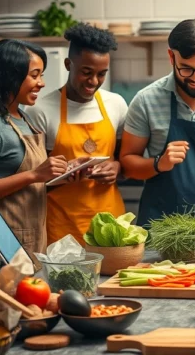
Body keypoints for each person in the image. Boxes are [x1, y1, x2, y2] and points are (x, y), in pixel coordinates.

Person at [120, 19, 195, 227]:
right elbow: (128, 163)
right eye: (186, 69)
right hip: (160, 228)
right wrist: (159, 163)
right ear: (171, 56)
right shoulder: (146, 100)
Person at [0, 39, 70, 255]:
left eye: (41, 75)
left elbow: (27, 182)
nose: (42, 83)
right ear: (9, 76)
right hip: (1, 238)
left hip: (29, 235)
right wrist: (35, 175)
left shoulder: (22, 118)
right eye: (34, 75)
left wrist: (63, 174)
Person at [27, 24, 129, 245]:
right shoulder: (40, 111)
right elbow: (32, 181)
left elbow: (125, 160)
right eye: (86, 72)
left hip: (112, 225)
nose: (93, 82)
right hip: (62, 227)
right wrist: (63, 177)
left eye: (101, 74)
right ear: (67, 64)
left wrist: (117, 168)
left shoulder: (116, 104)